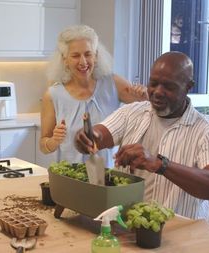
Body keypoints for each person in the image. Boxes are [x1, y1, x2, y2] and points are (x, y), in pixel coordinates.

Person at [74, 51, 209, 220]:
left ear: (188, 86)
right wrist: (86, 137)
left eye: (169, 87)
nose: (157, 92)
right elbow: (98, 135)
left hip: (180, 236)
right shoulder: (131, 113)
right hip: (126, 228)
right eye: (153, 83)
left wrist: (159, 164)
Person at [40, 25, 147, 167]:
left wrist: (145, 95)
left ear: (95, 56)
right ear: (64, 59)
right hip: (69, 178)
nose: (83, 62)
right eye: (75, 55)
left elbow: (149, 107)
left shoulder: (113, 84)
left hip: (108, 177)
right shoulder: (53, 95)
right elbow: (43, 145)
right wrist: (54, 141)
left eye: (88, 54)